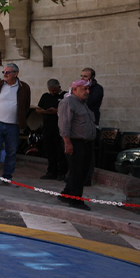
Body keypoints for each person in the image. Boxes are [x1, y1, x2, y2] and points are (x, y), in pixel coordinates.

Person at [0, 63, 31, 187]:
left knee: (11, 152)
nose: (5, 74)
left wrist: (20, 119)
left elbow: (26, 105)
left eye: (8, 72)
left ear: (15, 74)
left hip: (13, 125)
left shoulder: (24, 87)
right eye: (4, 72)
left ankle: (7, 178)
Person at [56, 80, 96, 212]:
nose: (87, 92)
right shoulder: (68, 102)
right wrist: (67, 142)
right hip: (74, 142)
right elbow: (64, 124)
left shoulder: (82, 104)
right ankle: (75, 199)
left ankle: (66, 193)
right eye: (84, 89)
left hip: (85, 142)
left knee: (81, 170)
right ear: (74, 89)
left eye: (88, 89)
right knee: (78, 171)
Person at [36, 79, 67, 181]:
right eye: (51, 90)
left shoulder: (65, 96)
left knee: (60, 150)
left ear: (59, 87)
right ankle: (51, 171)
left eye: (54, 90)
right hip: (48, 127)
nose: (53, 92)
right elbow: (38, 109)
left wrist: (57, 111)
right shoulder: (46, 96)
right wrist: (45, 111)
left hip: (60, 127)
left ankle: (62, 172)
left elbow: (69, 110)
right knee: (49, 149)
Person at [80, 67, 104, 183]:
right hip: (79, 123)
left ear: (92, 78)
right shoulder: (80, 88)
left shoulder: (97, 89)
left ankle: (87, 177)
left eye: (85, 76)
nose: (82, 78)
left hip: (91, 123)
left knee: (89, 151)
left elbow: (88, 101)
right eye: (81, 76)